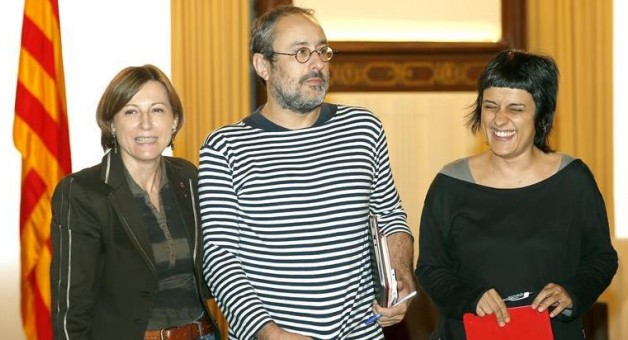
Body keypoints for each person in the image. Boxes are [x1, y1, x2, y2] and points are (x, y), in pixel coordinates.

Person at [197, 5, 415, 340]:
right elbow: (221, 257)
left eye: (322, 51)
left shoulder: (363, 128)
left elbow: (389, 215)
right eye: (300, 52)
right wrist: (269, 333)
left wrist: (401, 277)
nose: (316, 63)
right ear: (262, 65)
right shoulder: (225, 146)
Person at [415, 49, 618, 339]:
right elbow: (430, 267)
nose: (499, 120)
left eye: (516, 108)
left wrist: (572, 293)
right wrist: (470, 298)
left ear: (541, 114)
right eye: (490, 106)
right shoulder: (450, 183)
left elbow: (601, 258)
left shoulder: (573, 180)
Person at [50, 64, 220, 340]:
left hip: (203, 334)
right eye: (131, 111)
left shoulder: (188, 177)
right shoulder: (82, 192)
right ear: (112, 123)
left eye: (157, 110)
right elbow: (71, 307)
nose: (146, 124)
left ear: (174, 120)